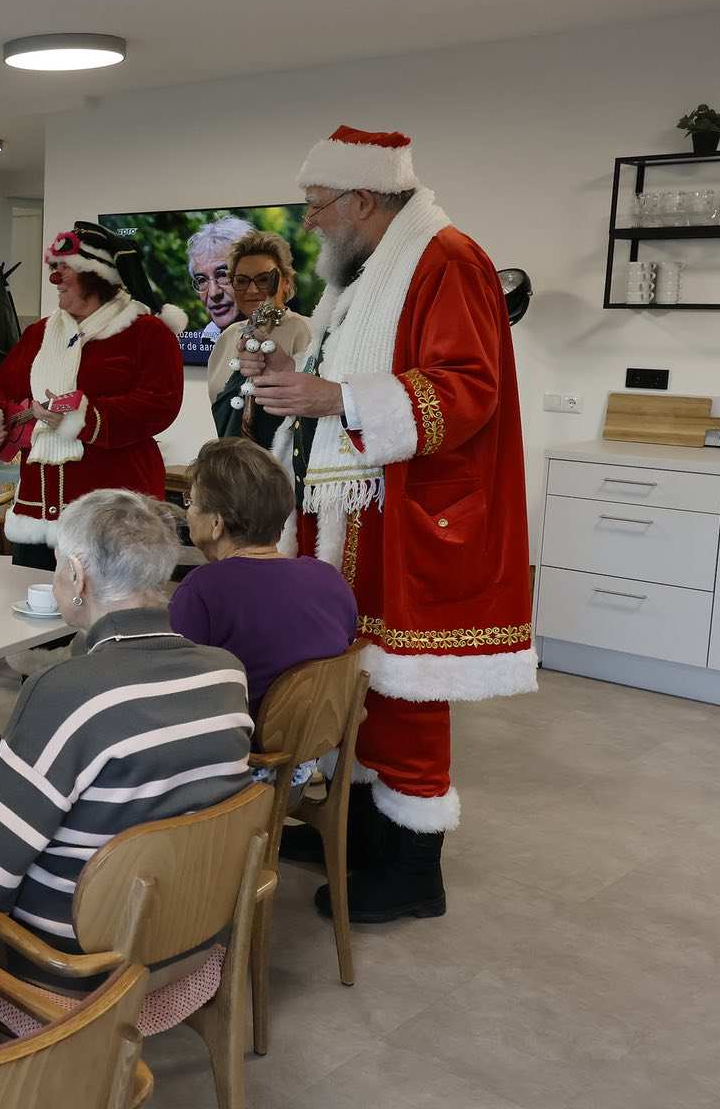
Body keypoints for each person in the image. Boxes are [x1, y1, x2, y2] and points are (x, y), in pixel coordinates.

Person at [243, 125, 534, 923]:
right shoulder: (366, 271)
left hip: (417, 512)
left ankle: (410, 869)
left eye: (316, 206)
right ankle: (362, 825)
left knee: (408, 686)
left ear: (363, 199)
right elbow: (350, 377)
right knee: (358, 681)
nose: (309, 222)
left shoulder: (449, 259)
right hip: (362, 506)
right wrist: (292, 383)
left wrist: (334, 398)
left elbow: (469, 388)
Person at [0, 490, 252, 992]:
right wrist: (30, 781)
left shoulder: (61, 693)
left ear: (76, 576)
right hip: (191, 942)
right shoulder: (226, 673)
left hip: (75, 963)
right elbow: (154, 783)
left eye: (57, 566)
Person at [0, 221, 185, 569]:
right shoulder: (41, 332)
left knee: (110, 607)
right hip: (37, 510)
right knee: (33, 607)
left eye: (64, 269)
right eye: (55, 268)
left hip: (115, 506)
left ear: (95, 275)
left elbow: (161, 403)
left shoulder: (147, 333)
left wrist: (82, 417)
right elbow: (2, 387)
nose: (55, 278)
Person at [170, 438, 355, 716]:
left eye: (192, 502)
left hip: (241, 745)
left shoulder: (203, 588)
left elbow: (178, 688)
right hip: (316, 738)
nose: (188, 511)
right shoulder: (327, 577)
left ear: (217, 523)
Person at [207, 230, 315, 447]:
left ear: (285, 282)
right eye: (242, 280)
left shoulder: (305, 331)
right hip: (235, 466)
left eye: (265, 279)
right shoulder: (227, 338)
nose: (252, 289)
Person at [188, 215, 255, 343]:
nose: (213, 293)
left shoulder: (292, 341)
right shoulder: (188, 348)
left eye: (223, 275)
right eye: (202, 280)